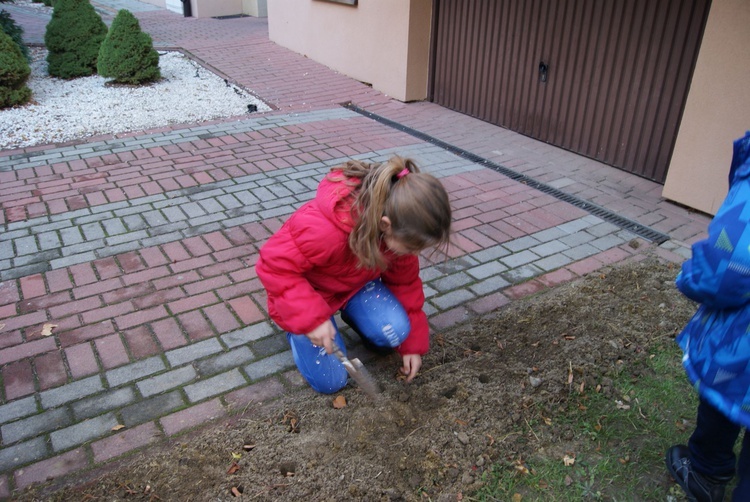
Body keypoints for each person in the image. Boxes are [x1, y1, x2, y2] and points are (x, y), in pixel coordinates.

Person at [255, 156, 452, 394]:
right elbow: (273, 266)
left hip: (355, 288)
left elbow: (406, 284)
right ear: (385, 224)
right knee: (332, 382)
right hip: (312, 297)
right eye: (412, 248)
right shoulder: (322, 230)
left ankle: (355, 317)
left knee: (397, 331)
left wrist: (413, 346)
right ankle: (297, 332)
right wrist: (311, 319)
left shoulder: (401, 231)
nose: (415, 254)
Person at [666, 131, 750, 501]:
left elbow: (727, 268)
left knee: (725, 390)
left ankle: (706, 473)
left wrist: (688, 277)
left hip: (742, 344)